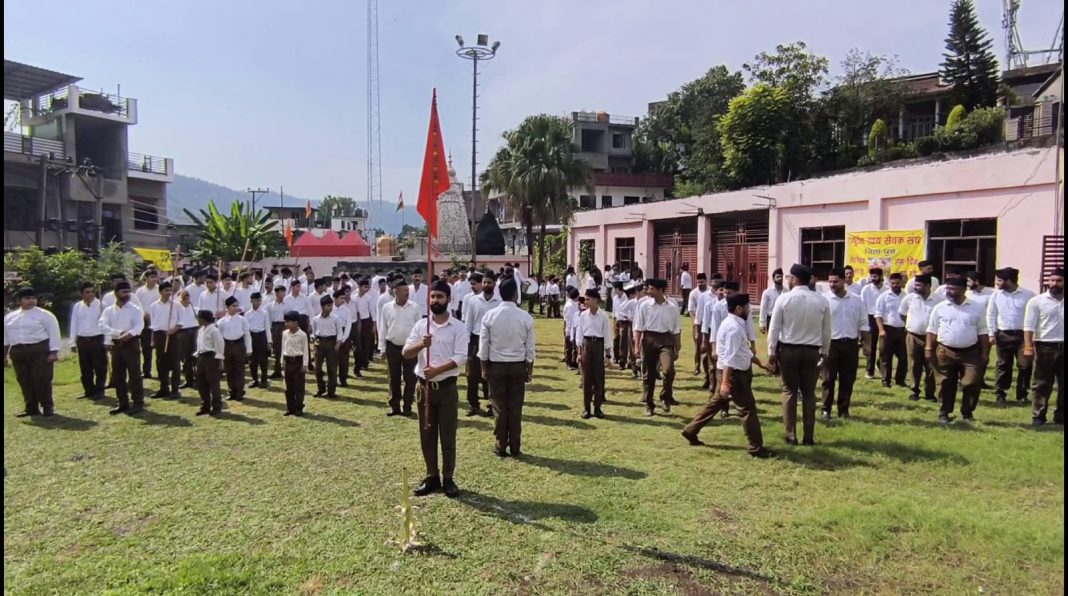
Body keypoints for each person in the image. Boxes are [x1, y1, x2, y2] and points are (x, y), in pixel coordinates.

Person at [682, 294, 774, 458]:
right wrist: (725, 382)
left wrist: (760, 364)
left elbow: (742, 351)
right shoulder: (733, 328)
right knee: (747, 410)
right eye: (746, 307)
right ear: (738, 309)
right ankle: (756, 448)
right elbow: (729, 359)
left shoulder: (734, 324)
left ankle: (691, 430)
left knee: (716, 403)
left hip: (730, 372)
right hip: (733, 375)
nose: (748, 310)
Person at [404, 281, 469, 498]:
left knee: (447, 435)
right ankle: (432, 476)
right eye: (432, 297)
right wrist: (422, 345)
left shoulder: (458, 327)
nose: (435, 301)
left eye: (439, 297)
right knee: (427, 433)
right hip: (424, 389)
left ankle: (448, 478)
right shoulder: (421, 327)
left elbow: (461, 357)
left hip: (447, 388)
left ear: (449, 299)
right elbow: (406, 352)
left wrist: (437, 369)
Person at [767, 264, 831, 446]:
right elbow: (826, 330)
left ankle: (791, 435)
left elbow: (775, 328)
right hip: (812, 351)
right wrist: (825, 351)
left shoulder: (784, 299)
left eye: (789, 276)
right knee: (809, 394)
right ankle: (808, 437)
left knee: (789, 391)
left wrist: (772, 352)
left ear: (795, 278)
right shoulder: (821, 300)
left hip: (789, 350)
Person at [479, 277, 536, 455]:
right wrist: (530, 369)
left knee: (499, 408)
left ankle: (501, 444)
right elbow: (530, 347)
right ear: (515, 294)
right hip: (517, 366)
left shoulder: (490, 315)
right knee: (515, 407)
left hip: (497, 366)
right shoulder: (525, 316)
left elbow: (483, 347)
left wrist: (484, 368)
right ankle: (515, 446)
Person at [927, 277, 990, 423]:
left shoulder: (977, 307)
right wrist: (929, 348)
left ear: (963, 289)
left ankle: (967, 413)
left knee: (972, 382)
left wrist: (985, 353)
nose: (948, 291)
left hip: (970, 352)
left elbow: (983, 331)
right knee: (945, 383)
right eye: (947, 288)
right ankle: (944, 413)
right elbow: (932, 330)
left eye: (952, 289)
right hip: (945, 351)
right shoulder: (940, 308)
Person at [4, 287, 61, 417]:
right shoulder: (10, 317)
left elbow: (54, 333)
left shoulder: (45, 315)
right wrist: (4, 354)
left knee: (41, 379)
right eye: (27, 298)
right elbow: (6, 337)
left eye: (33, 298)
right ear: (20, 300)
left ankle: (47, 406)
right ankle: (31, 407)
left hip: (38, 350)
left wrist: (54, 352)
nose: (31, 301)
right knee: (24, 380)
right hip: (18, 351)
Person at [821, 269, 870, 420]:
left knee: (848, 378)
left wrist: (867, 345)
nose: (832, 284)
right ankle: (826, 410)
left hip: (850, 344)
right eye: (829, 281)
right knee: (828, 379)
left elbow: (864, 323)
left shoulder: (856, 300)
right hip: (831, 345)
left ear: (843, 281)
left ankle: (843, 410)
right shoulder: (824, 300)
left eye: (835, 281)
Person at [987, 267, 1036, 406]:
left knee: (1025, 365)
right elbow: (991, 315)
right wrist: (992, 333)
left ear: (1009, 281)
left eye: (1000, 281)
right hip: (1003, 334)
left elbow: (1034, 316)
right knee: (1003, 365)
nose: (997, 283)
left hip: (1022, 336)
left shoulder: (1028, 295)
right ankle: (1000, 394)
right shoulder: (996, 295)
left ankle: (1022, 394)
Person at [634, 278, 681, 417]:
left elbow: (676, 329)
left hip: (666, 340)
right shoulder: (644, 305)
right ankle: (649, 404)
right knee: (649, 374)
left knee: (668, 371)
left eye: (652, 289)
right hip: (649, 339)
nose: (649, 292)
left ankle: (666, 397)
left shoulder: (672, 307)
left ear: (660, 290)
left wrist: (677, 347)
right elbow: (638, 327)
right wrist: (637, 346)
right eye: (648, 289)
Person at [1023, 268, 1064, 426]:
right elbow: (1029, 326)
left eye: (1059, 280)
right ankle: (1038, 416)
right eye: (1052, 280)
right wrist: (1028, 347)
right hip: (1044, 346)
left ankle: (1060, 417)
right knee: (1041, 383)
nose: (1054, 284)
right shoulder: (1037, 301)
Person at [100, 281, 147, 415]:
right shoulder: (109, 310)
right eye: (124, 292)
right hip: (117, 345)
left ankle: (138, 403)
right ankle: (123, 403)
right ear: (116, 293)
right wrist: (118, 333)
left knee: (134, 375)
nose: (127, 295)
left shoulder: (135, 309)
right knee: (118, 375)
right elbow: (102, 325)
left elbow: (139, 326)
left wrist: (129, 334)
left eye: (128, 292)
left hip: (131, 344)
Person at [379, 278, 422, 416]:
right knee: (394, 377)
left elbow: (419, 328)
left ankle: (408, 406)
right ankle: (394, 406)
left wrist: (419, 348)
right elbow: (383, 328)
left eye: (407, 291)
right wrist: (382, 348)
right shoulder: (387, 308)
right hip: (392, 347)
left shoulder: (415, 307)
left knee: (410, 378)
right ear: (395, 292)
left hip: (410, 347)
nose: (407, 293)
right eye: (404, 291)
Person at [898, 275, 944, 402]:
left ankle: (930, 393)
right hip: (913, 336)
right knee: (913, 364)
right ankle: (914, 390)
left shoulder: (939, 300)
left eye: (919, 285)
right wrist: (911, 325)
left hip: (932, 338)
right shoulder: (909, 298)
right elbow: (902, 314)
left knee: (931, 365)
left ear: (928, 286)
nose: (915, 287)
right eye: (915, 285)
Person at [462, 271, 500, 416]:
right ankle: (473, 404)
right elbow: (468, 322)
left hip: (493, 340)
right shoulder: (473, 300)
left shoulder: (499, 301)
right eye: (484, 282)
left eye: (489, 282)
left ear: (494, 284)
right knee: (471, 374)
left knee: (490, 373)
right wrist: (466, 342)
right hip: (475, 339)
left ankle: (492, 404)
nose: (486, 285)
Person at [575, 289, 611, 419]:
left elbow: (607, 335)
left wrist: (608, 355)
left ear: (596, 300)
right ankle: (586, 408)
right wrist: (579, 353)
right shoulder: (583, 315)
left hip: (598, 345)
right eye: (585, 299)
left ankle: (598, 407)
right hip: (586, 345)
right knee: (586, 378)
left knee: (599, 378)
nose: (585, 302)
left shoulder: (603, 316)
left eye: (588, 299)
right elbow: (579, 334)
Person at [69, 281, 107, 400]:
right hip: (83, 340)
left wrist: (107, 341)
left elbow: (107, 324)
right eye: (87, 292)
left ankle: (100, 390)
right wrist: (72, 341)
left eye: (92, 292)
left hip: (97, 339)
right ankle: (88, 390)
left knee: (99, 367)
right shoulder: (77, 306)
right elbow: (74, 324)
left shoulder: (102, 305)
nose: (90, 294)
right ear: (82, 294)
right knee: (85, 368)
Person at [148, 281, 182, 398]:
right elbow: (153, 324)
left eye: (170, 290)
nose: (168, 293)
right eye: (166, 290)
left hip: (173, 336)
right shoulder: (154, 306)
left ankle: (175, 389)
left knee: (175, 363)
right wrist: (153, 339)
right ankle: (164, 388)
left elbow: (180, 322)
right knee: (161, 363)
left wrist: (173, 330)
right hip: (160, 336)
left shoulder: (176, 305)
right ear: (160, 292)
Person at [874, 273, 908, 388]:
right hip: (888, 329)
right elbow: (878, 315)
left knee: (903, 357)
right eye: (892, 283)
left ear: (902, 283)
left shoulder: (906, 296)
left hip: (903, 330)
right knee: (886, 357)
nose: (894, 285)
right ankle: (886, 380)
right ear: (889, 283)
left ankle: (900, 380)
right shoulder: (883, 297)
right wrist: (881, 330)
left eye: (897, 283)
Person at [965, 271, 996, 387]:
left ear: (976, 281)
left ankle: (980, 380)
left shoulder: (991, 294)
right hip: (970, 330)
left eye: (969, 281)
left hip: (985, 331)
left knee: (984, 356)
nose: (967, 283)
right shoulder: (968, 294)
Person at [218, 296, 252, 402]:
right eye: (233, 306)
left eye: (237, 305)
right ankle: (231, 391)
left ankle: (239, 392)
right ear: (227, 307)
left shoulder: (242, 320)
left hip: (239, 345)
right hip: (227, 346)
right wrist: (219, 352)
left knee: (239, 370)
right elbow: (219, 337)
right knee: (229, 370)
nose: (236, 308)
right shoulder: (221, 322)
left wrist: (249, 349)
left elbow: (247, 334)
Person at [311, 295, 344, 398]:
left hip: (331, 343)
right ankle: (321, 389)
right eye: (328, 306)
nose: (331, 308)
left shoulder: (336, 318)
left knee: (332, 369)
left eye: (331, 305)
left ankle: (331, 391)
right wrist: (313, 342)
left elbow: (340, 333)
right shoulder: (315, 319)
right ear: (322, 306)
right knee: (317, 368)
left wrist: (338, 345)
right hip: (319, 343)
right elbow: (313, 332)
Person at [193, 309, 225, 416]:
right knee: (201, 383)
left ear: (203, 319)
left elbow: (219, 345)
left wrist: (220, 361)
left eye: (199, 318)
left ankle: (216, 406)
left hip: (211, 358)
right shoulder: (201, 330)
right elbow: (199, 345)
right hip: (201, 357)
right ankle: (205, 405)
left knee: (213, 383)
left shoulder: (214, 331)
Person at [280, 310, 310, 416]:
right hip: (288, 361)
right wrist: (281, 361)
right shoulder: (285, 334)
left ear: (296, 322)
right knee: (289, 387)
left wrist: (305, 364)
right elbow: (283, 348)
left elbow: (306, 350)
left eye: (288, 322)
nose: (286, 324)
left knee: (299, 386)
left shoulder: (302, 335)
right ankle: (290, 407)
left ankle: (299, 407)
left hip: (298, 361)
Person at [860, 268, 887, 380]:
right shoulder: (866, 289)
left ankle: (880, 366)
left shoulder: (887, 289)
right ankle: (869, 370)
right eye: (871, 276)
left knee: (883, 347)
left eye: (875, 276)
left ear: (881, 276)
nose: (873, 279)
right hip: (870, 318)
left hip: (883, 319)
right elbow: (862, 306)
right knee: (871, 347)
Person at [135, 270, 160, 379]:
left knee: (158, 347)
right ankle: (146, 370)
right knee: (146, 347)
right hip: (144, 321)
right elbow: (137, 305)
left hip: (157, 320)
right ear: (146, 278)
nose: (154, 279)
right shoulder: (140, 291)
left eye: (155, 277)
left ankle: (161, 370)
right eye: (151, 277)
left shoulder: (160, 289)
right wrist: (143, 314)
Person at [246, 292, 270, 389]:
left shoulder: (264, 313)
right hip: (251, 336)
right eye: (256, 301)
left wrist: (269, 341)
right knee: (252, 361)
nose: (258, 303)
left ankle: (264, 379)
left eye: (259, 300)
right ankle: (255, 379)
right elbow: (246, 329)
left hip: (261, 336)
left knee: (263, 360)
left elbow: (267, 327)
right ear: (251, 301)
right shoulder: (247, 314)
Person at [175, 290, 199, 390]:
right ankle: (189, 380)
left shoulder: (195, 309)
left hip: (194, 332)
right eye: (184, 299)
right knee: (185, 358)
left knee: (196, 358)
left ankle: (198, 379)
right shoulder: (176, 310)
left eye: (188, 298)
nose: (186, 301)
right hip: (182, 333)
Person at [332, 290, 354, 387]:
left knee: (343, 360)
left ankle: (343, 379)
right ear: (335, 299)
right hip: (333, 335)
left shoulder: (346, 310)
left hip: (344, 336)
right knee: (332, 360)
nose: (343, 300)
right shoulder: (330, 309)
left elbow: (348, 325)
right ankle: (333, 380)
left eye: (344, 298)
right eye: (341, 298)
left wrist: (343, 339)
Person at [267, 284, 289, 380]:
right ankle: (277, 370)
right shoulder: (270, 306)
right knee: (277, 350)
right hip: (275, 327)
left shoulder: (288, 305)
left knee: (286, 348)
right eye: (281, 292)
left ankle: (286, 369)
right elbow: (268, 319)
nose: (283, 294)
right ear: (276, 293)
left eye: (284, 292)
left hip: (285, 326)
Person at [759, 268, 785, 333]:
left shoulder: (787, 292)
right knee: (772, 340)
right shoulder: (767, 292)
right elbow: (763, 308)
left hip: (784, 319)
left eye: (781, 277)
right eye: (777, 277)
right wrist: (762, 324)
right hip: (771, 319)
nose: (780, 278)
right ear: (773, 279)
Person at [562, 286, 581, 370]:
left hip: (574, 326)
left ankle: (573, 362)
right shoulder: (570, 306)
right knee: (569, 346)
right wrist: (569, 331)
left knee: (573, 346)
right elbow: (569, 320)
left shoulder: (574, 304)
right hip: (570, 327)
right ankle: (568, 363)